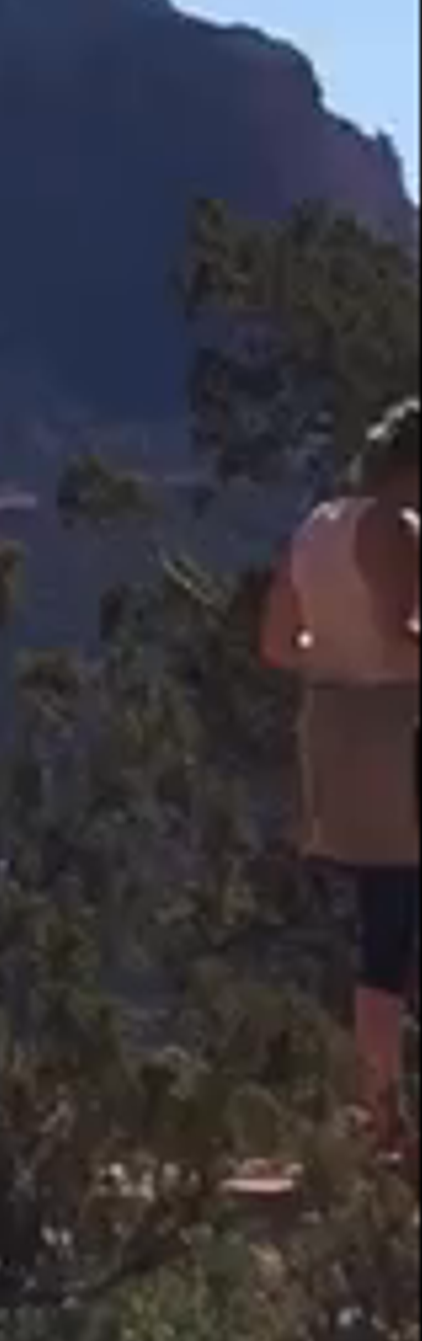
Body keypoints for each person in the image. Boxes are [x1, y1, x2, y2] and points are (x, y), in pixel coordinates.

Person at [259, 395, 422, 1152]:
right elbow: (400, 636)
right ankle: (387, 1112)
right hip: (399, 731)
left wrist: (333, 653)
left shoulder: (316, 526)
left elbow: (276, 641)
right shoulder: (394, 526)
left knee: (383, 932)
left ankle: (380, 1109)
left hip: (330, 732)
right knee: (397, 918)